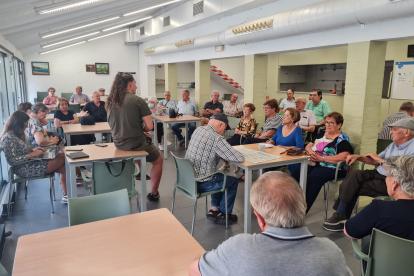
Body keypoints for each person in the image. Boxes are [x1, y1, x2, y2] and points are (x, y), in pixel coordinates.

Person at [189, 171, 352, 276]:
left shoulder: (237, 247)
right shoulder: (332, 253)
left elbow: (194, 270)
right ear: (303, 207)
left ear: (259, 218)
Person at [323, 117, 414, 231]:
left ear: (406, 132)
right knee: (354, 175)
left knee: (352, 186)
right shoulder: (393, 145)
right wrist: (359, 157)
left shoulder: (412, 148)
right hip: (379, 172)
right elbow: (375, 160)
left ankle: (341, 215)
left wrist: (380, 161)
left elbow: (401, 171)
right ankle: (342, 215)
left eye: (395, 129)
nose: (391, 132)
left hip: (395, 181)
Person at [345, 155, 414, 271]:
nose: (386, 180)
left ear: (394, 184)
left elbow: (349, 231)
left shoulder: (378, 209)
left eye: (387, 176)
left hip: (383, 270)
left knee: (368, 235)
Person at [106, 73, 163, 202]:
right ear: (130, 84)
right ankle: (154, 194)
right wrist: (142, 130)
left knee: (136, 152)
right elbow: (150, 126)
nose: (136, 87)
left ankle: (137, 172)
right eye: (135, 83)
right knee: (158, 161)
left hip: (118, 143)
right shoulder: (137, 100)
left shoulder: (111, 100)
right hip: (135, 143)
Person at [185, 113, 244, 224]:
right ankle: (224, 213)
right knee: (232, 182)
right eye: (225, 129)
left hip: (187, 180)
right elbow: (238, 157)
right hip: (201, 183)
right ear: (221, 124)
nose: (224, 132)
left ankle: (214, 209)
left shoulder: (198, 130)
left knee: (219, 176)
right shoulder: (216, 138)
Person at [0, 111, 68, 203]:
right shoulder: (8, 138)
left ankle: (67, 195)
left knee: (64, 167)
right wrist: (31, 154)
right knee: (63, 157)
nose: (27, 126)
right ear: (17, 123)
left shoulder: (16, 134)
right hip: (25, 169)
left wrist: (34, 150)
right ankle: (83, 175)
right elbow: (12, 161)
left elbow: (23, 150)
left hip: (31, 162)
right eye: (25, 124)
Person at [292, 112, 353, 213]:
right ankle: (293, 203)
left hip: (333, 167)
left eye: (331, 123)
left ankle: (300, 212)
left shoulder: (342, 138)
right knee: (297, 172)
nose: (328, 125)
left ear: (339, 125)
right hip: (316, 162)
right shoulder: (321, 134)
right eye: (326, 122)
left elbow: (344, 157)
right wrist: (311, 153)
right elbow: (308, 145)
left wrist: (322, 159)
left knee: (313, 178)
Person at [219, 103, 256, 171]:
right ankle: (226, 163)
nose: (244, 111)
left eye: (247, 110)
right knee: (223, 145)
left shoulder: (252, 120)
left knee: (231, 147)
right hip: (236, 136)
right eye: (244, 110)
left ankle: (237, 164)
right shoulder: (242, 119)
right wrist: (236, 130)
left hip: (243, 138)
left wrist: (241, 132)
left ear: (251, 112)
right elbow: (237, 128)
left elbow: (251, 132)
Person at [267, 108, 304, 173]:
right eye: (283, 115)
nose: (283, 117)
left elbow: (300, 146)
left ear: (293, 118)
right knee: (265, 164)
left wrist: (285, 148)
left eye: (286, 115)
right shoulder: (281, 127)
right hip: (277, 155)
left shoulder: (297, 130)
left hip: (287, 157)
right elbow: (273, 139)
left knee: (267, 167)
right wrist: (270, 142)